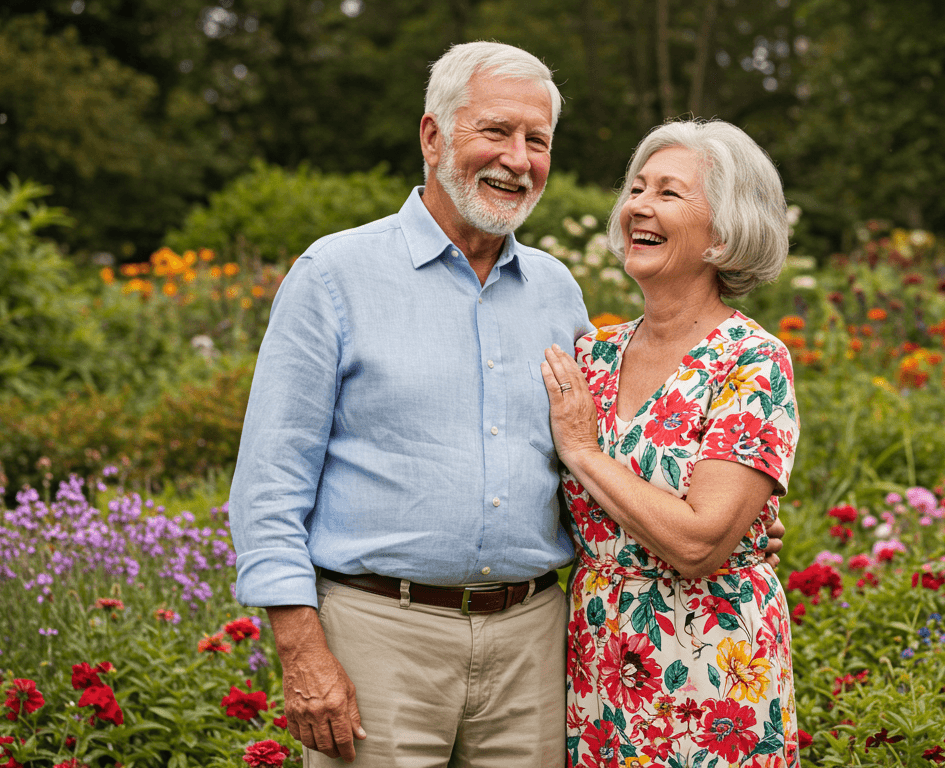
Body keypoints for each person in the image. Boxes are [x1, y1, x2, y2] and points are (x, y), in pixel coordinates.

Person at [229, 44, 786, 766]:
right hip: (382, 635)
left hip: (536, 639)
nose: (516, 159)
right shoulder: (335, 277)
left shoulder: (559, 295)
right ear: (432, 137)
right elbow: (269, 480)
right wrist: (301, 647)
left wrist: (740, 531)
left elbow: (605, 458)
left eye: (537, 141)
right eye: (495, 131)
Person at [540, 120, 800, 768]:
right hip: (597, 659)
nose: (639, 207)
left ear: (724, 231)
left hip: (709, 667)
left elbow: (697, 542)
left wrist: (586, 454)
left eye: (669, 193)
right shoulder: (592, 355)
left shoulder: (751, 361)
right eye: (635, 189)